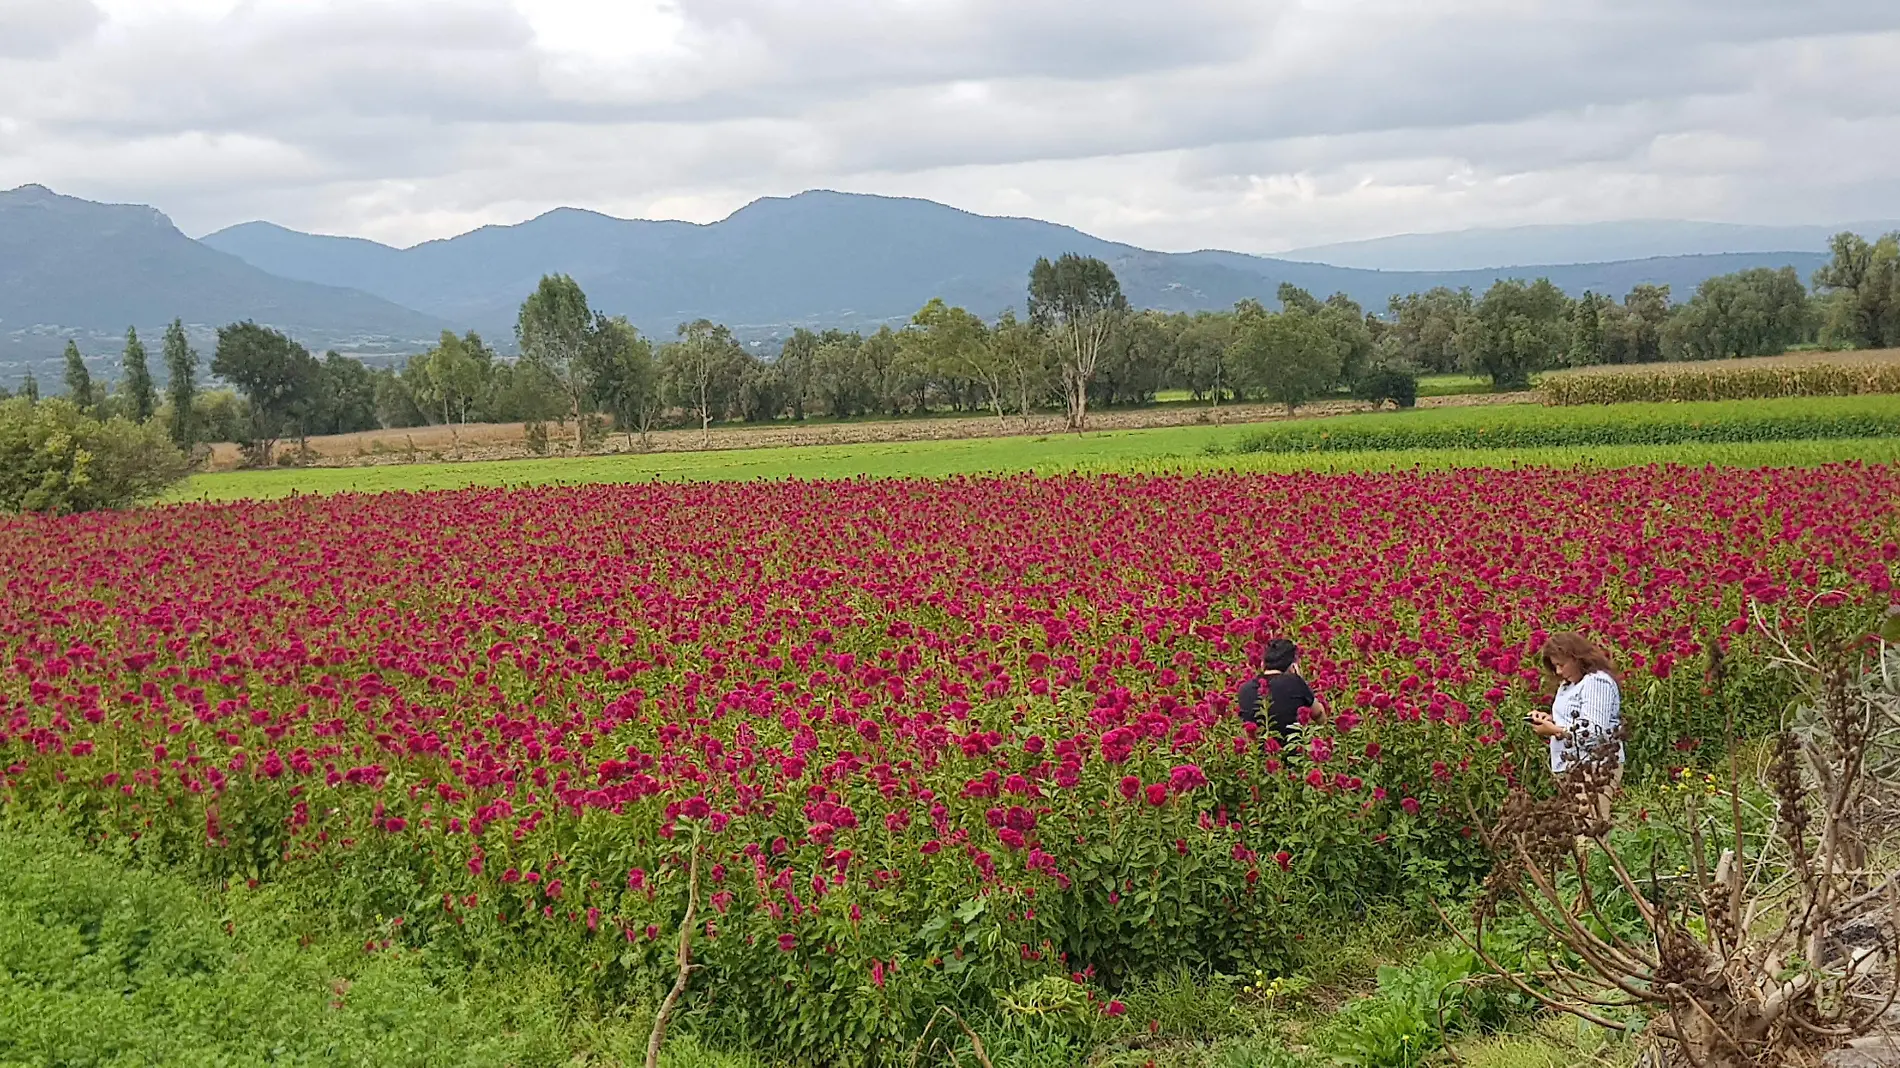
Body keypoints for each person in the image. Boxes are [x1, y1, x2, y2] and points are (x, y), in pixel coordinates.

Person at [1526, 631, 1624, 822]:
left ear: (1577, 658)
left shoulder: (1597, 682)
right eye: (1555, 667)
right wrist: (1550, 720)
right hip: (1574, 767)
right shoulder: (1569, 685)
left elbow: (1595, 732)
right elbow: (1577, 720)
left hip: (1597, 767)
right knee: (1580, 829)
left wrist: (1554, 731)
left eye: (1561, 665)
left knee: (1591, 829)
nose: (1558, 672)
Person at [1237, 638, 1323, 741]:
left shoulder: (1245, 689)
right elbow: (1320, 716)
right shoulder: (1294, 683)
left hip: (1259, 752)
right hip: (1293, 751)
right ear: (1293, 666)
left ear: (1262, 664)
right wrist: (1300, 681)